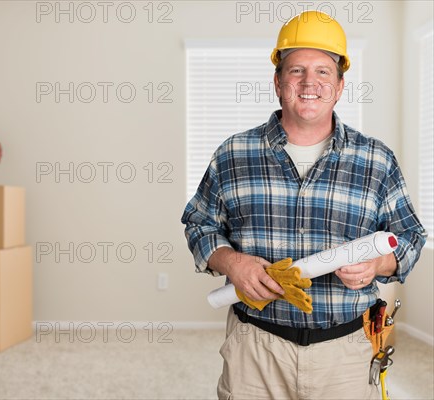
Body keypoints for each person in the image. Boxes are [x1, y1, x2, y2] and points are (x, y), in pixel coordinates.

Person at [181, 10, 427, 400]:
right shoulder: (234, 153)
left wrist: (378, 264)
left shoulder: (376, 159)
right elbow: (198, 224)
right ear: (278, 82)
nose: (309, 82)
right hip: (255, 349)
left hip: (345, 352)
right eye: (296, 71)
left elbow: (411, 237)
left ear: (341, 85)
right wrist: (232, 262)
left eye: (323, 72)